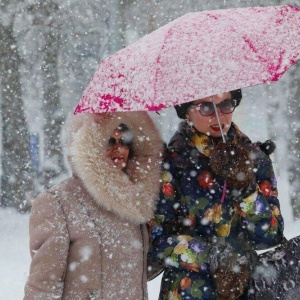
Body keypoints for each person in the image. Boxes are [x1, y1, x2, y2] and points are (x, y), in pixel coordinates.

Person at [147, 90, 284, 300]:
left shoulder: (254, 159)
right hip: (189, 291)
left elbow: (270, 235)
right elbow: (156, 241)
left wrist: (245, 189)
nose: (219, 116)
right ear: (186, 111)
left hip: (248, 289)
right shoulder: (170, 164)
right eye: (207, 107)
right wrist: (211, 257)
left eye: (226, 105)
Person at [24, 111, 164, 300]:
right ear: (87, 146)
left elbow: (136, 273)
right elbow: (44, 284)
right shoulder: (58, 202)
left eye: (125, 141)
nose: (119, 150)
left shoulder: (135, 202)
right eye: (109, 141)